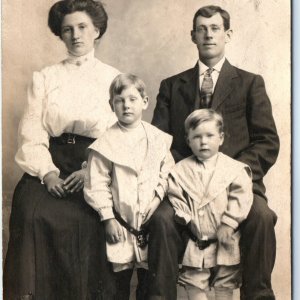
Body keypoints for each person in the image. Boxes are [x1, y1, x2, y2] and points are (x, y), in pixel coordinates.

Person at [149, 5, 280, 300]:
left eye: (215, 28)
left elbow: (267, 141)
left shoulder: (249, 83)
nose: (208, 35)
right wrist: (187, 178)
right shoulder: (171, 86)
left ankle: (258, 296)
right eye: (201, 29)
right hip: (184, 187)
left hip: (236, 185)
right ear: (192, 36)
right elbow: (158, 143)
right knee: (160, 219)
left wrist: (227, 175)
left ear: (227, 34)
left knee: (261, 216)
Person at [3, 1, 121, 299]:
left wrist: (89, 170)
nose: (76, 35)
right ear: (60, 34)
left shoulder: (113, 78)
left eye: (82, 27)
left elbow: (117, 133)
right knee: (30, 211)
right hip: (52, 160)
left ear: (96, 30)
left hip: (95, 163)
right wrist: (48, 173)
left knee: (91, 218)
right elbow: (31, 130)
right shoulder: (45, 77)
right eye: (67, 29)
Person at [84, 73, 175, 300]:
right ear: (111, 105)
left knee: (149, 282)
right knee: (116, 284)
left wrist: (156, 199)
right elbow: (96, 183)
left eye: (133, 99)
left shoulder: (157, 138)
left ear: (144, 102)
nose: (126, 105)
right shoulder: (105, 143)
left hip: (149, 221)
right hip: (119, 222)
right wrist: (108, 218)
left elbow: (167, 172)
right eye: (120, 100)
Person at [168, 109, 253, 300]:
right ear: (188, 141)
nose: (203, 142)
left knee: (225, 285)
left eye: (209, 136)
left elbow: (241, 196)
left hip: (225, 240)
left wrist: (229, 223)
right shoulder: (180, 170)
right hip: (196, 241)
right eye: (197, 137)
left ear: (221, 138)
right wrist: (185, 217)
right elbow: (175, 195)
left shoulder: (233, 169)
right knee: (195, 286)